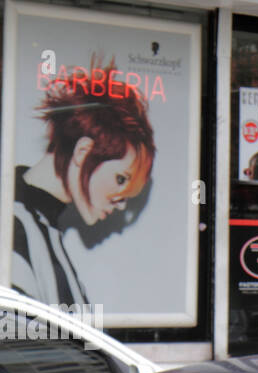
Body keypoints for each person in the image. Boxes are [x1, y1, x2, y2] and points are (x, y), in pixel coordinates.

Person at [12, 64, 156, 306]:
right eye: (121, 178)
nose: (121, 205)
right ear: (82, 152)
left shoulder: (41, 229)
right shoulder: (18, 227)